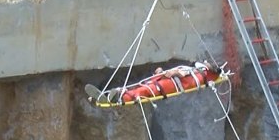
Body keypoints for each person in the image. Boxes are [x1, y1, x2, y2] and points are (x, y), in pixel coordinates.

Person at [85, 61, 222, 105]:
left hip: (173, 84)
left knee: (146, 91)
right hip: (170, 80)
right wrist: (162, 72)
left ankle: (119, 97)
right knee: (142, 86)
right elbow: (180, 72)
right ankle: (110, 95)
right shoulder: (198, 71)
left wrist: (173, 73)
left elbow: (182, 75)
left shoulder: (203, 76)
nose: (206, 62)